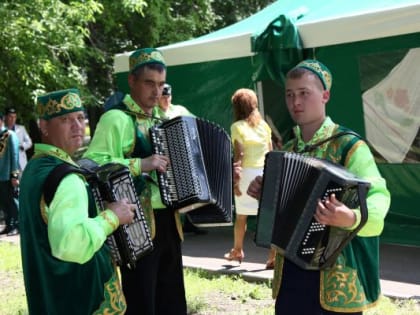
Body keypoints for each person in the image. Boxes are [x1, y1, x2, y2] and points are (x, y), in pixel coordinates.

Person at [247, 59, 391, 314]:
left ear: (325, 95)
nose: (296, 102)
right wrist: (265, 194)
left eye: (304, 93)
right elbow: (285, 207)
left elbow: (379, 196)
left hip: (336, 274)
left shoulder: (349, 146)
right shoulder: (288, 150)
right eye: (290, 95)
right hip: (291, 273)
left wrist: (351, 217)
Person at [83, 48, 187, 315]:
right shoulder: (115, 118)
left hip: (170, 223)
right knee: (142, 300)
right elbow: (94, 165)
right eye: (149, 83)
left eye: (161, 84)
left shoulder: (163, 120)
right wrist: (141, 164)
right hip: (135, 225)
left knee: (172, 299)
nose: (156, 91)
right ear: (131, 81)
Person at [19, 88, 133, 314]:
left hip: (51, 295)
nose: (77, 126)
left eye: (80, 118)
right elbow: (72, 245)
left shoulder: (34, 167)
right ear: (44, 126)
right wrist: (113, 217)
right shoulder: (68, 178)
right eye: (65, 119)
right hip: (83, 300)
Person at [223, 88, 275, 268]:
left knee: (241, 217)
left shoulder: (236, 127)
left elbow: (240, 155)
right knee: (269, 216)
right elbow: (270, 152)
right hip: (265, 173)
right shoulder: (264, 125)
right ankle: (273, 257)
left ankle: (237, 251)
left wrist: (235, 183)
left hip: (247, 174)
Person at [157, 83, 207, 235]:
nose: (166, 100)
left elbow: (195, 123)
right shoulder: (153, 113)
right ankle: (178, 222)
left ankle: (188, 221)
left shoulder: (179, 110)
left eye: (168, 97)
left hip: (184, 155)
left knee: (188, 188)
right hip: (165, 156)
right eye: (163, 97)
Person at [0, 112, 20, 236]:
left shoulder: (9, 135)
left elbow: (14, 156)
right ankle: (9, 224)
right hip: (0, 176)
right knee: (3, 201)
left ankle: (17, 225)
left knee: (13, 201)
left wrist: (14, 175)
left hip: (8, 175)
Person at [5, 107, 33, 171]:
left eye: (14, 117)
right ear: (5, 117)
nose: (13, 119)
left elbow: (29, 142)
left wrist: (22, 146)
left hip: (20, 163)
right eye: (10, 117)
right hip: (6, 165)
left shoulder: (21, 128)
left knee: (21, 180)